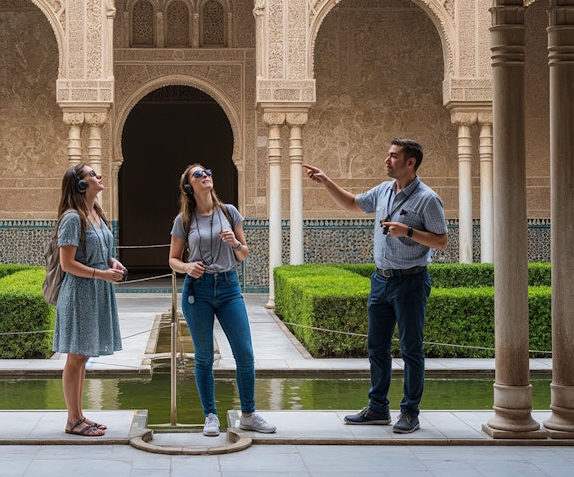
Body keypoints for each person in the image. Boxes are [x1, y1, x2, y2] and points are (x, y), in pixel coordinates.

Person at [303, 138, 448, 434]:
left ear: (411, 162)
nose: (387, 159)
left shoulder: (427, 198)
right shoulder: (383, 190)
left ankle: (410, 412)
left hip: (411, 281)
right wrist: (326, 181)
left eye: (393, 156)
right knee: (377, 347)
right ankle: (378, 408)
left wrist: (407, 231)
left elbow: (442, 241)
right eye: (388, 155)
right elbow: (354, 203)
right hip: (381, 280)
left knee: (411, 349)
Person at [167, 164, 277, 437]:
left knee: (245, 354)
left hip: (229, 288)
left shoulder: (229, 211)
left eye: (208, 172)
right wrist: (187, 268)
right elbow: (172, 259)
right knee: (203, 357)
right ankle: (210, 416)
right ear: (189, 186)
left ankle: (249, 415)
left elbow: (244, 253)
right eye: (198, 174)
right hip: (198, 290)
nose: (206, 176)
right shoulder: (184, 220)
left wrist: (235, 244)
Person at [53, 163, 127, 437]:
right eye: (93, 174)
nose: (100, 176)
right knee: (75, 357)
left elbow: (99, 251)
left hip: (96, 290)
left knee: (82, 356)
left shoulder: (95, 213)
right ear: (81, 184)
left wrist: (112, 263)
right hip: (80, 293)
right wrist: (101, 274)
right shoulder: (72, 217)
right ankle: (73, 420)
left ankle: (79, 415)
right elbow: (67, 263)